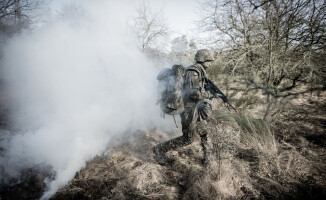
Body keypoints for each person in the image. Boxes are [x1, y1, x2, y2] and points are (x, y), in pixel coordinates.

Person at [153, 49, 218, 165]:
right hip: (189, 109)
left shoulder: (199, 71)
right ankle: (159, 149)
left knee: (204, 132)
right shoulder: (194, 72)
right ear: (203, 60)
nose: (210, 63)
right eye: (208, 60)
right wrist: (210, 94)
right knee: (188, 138)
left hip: (196, 107)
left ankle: (209, 159)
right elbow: (194, 94)